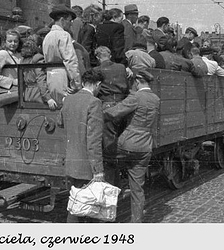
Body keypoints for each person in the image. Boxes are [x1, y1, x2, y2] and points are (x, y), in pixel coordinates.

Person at [103, 70, 160, 223]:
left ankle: (107, 212)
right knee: (137, 188)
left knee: (106, 161)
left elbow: (113, 113)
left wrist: (97, 112)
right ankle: (136, 222)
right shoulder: (155, 99)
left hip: (128, 143)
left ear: (137, 81)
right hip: (145, 147)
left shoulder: (135, 97)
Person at [58, 69, 106, 223]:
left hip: (72, 162)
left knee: (76, 202)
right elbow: (94, 140)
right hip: (86, 165)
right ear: (97, 84)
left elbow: (59, 121)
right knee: (85, 207)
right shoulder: (94, 103)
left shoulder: (69, 99)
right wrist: (98, 170)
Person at [93, 46, 130, 182]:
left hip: (107, 106)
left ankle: (112, 182)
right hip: (122, 105)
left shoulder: (97, 70)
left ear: (98, 57)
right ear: (109, 55)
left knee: (108, 146)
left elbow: (95, 90)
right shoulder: (121, 67)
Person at [42, 4, 82, 107]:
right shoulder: (64, 35)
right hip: (63, 76)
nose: (70, 24)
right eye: (69, 20)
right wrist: (76, 84)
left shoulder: (47, 36)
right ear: (62, 20)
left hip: (50, 76)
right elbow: (70, 61)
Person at [0, 29, 23, 97]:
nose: (13, 44)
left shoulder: (20, 55)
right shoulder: (2, 54)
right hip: (10, 92)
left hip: (21, 90)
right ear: (5, 42)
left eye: (15, 41)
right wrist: (12, 82)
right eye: (10, 41)